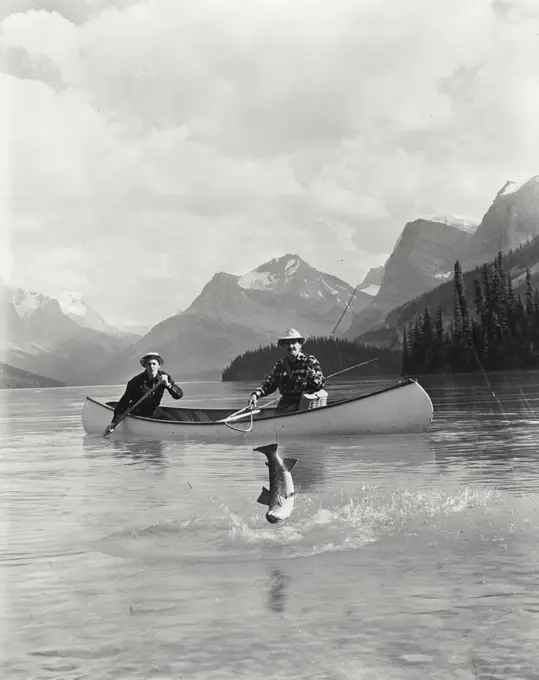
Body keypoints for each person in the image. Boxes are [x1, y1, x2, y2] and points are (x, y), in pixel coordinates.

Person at [248, 329, 325, 414]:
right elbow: (270, 384)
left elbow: (321, 384)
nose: (290, 346)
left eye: (293, 343)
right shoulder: (281, 364)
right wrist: (255, 395)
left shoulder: (310, 361)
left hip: (306, 407)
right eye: (287, 343)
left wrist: (313, 377)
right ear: (284, 347)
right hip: (285, 407)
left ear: (300, 345)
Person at [103, 352, 183, 434]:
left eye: (154, 364)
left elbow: (178, 395)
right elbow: (124, 402)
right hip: (137, 411)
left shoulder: (165, 377)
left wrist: (168, 385)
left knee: (174, 423)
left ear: (159, 366)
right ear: (145, 366)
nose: (151, 366)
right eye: (149, 364)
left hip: (154, 411)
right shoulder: (136, 381)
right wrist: (114, 422)